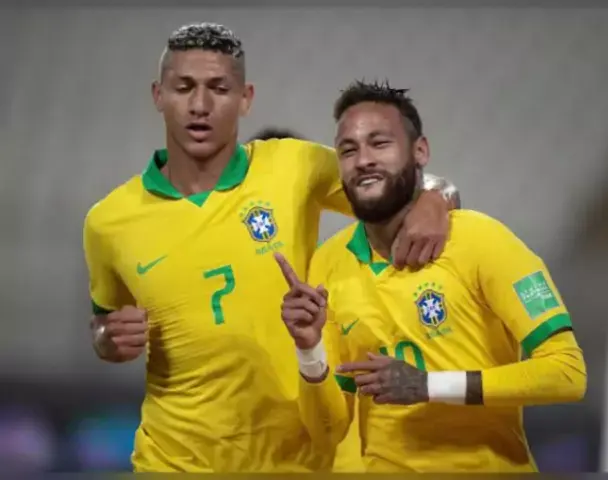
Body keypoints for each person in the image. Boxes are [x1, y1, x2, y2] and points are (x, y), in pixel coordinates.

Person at [82, 23, 458, 472]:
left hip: (296, 461)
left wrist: (435, 199)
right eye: (184, 88)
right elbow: (104, 324)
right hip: (172, 462)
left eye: (219, 88)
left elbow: (400, 182)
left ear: (246, 99)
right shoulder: (108, 222)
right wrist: (106, 340)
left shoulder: (295, 166)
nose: (200, 105)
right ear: (158, 95)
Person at [275, 80, 588, 472]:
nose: (363, 159)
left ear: (420, 151)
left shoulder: (482, 240)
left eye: (379, 143)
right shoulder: (329, 263)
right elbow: (329, 432)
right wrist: (309, 351)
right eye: (348, 150)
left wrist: (428, 386)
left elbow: (567, 373)